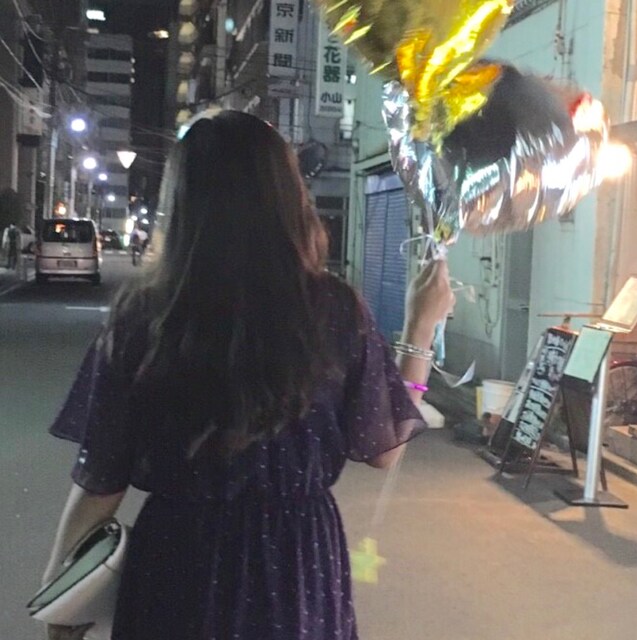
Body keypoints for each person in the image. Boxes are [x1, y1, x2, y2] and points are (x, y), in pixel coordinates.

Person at [42, 111, 455, 640]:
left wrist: (58, 599)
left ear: (184, 203)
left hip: (177, 565)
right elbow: (385, 449)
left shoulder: (145, 317)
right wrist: (420, 328)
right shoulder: (332, 310)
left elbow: (101, 479)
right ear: (288, 197)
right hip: (296, 568)